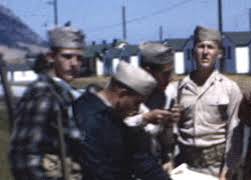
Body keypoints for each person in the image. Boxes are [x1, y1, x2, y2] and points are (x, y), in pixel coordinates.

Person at [9, 25, 86, 180]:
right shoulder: (42, 92)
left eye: (79, 58)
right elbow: (23, 155)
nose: (74, 63)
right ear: (51, 57)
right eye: (67, 56)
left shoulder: (66, 90)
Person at [74, 61, 170, 180]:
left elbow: (140, 158)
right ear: (122, 94)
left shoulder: (115, 116)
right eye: (137, 103)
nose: (138, 109)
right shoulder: (87, 116)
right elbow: (97, 170)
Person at [171, 25, 243, 179]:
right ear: (193, 52)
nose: (205, 52)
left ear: (220, 53)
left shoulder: (230, 88)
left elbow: (234, 132)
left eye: (210, 47)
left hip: (216, 169)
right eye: (200, 46)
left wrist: (227, 170)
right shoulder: (178, 89)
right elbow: (173, 131)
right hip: (185, 167)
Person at [124, 42, 180, 171]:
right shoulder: (127, 95)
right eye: (165, 74)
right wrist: (145, 118)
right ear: (148, 72)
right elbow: (116, 128)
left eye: (171, 73)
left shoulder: (168, 94)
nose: (170, 78)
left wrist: (170, 123)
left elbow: (166, 139)